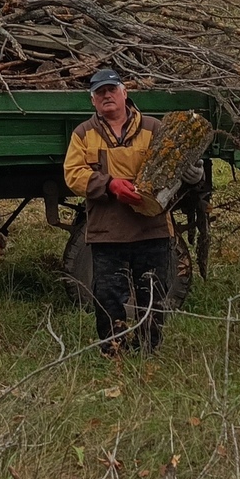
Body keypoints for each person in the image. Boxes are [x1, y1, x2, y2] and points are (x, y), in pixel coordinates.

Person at [63, 69, 193, 357]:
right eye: (100, 92)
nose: (106, 95)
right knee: (108, 298)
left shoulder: (154, 128)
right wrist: (110, 185)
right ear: (93, 101)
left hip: (152, 228)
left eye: (111, 89)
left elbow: (171, 170)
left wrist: (188, 171)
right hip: (106, 232)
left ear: (124, 93)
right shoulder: (83, 133)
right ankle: (113, 352)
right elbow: (73, 175)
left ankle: (148, 352)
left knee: (153, 298)